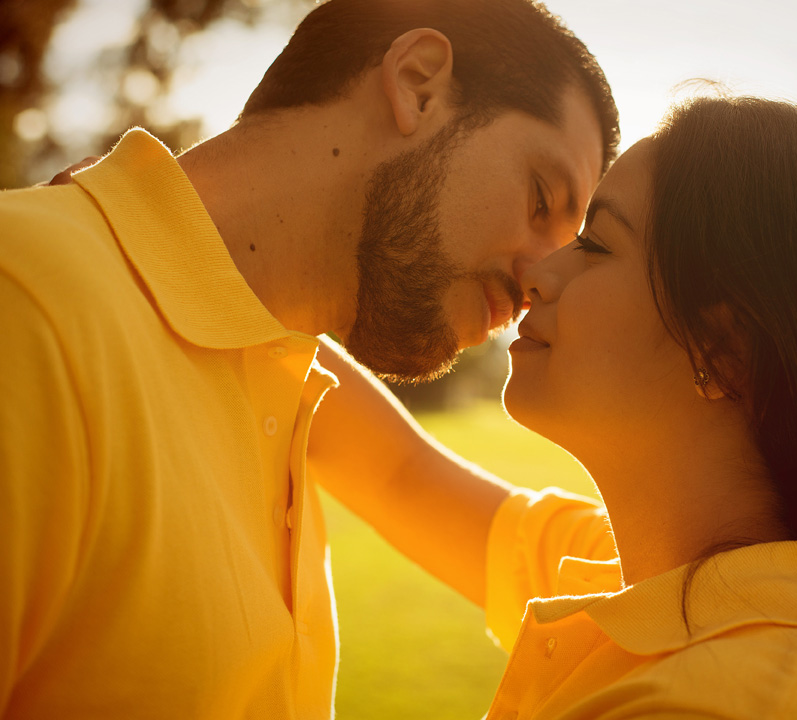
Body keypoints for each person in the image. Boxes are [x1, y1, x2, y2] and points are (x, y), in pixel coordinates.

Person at [309, 93, 797, 719]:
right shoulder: (653, 584)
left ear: (722, 353)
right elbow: (392, 472)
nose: (536, 270)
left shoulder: (714, 702)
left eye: (596, 244)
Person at [0, 0, 618, 716]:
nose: (539, 279)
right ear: (417, 83)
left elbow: (403, 472)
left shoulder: (283, 378)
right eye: (541, 197)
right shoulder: (29, 305)